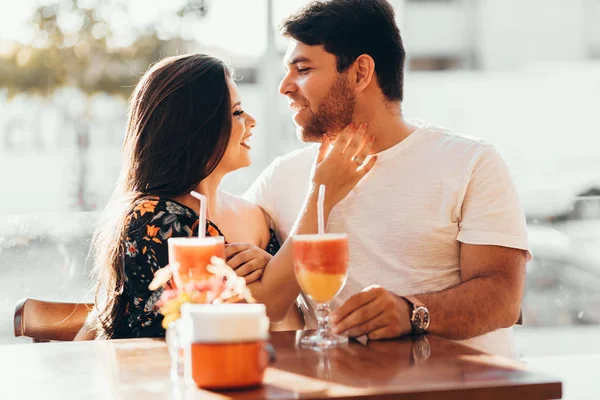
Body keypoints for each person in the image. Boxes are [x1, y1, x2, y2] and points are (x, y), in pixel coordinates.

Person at [244, 0, 530, 358]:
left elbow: (502, 299)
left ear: (361, 72)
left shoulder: (470, 162)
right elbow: (253, 296)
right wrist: (263, 255)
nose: (285, 87)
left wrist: (411, 312)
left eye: (302, 69)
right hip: (341, 388)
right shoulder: (281, 178)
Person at [78, 53, 374, 340]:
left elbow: (287, 318)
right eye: (236, 112)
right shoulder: (152, 219)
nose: (252, 121)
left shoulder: (253, 213)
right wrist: (322, 191)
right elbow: (265, 308)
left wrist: (272, 269)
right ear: (194, 126)